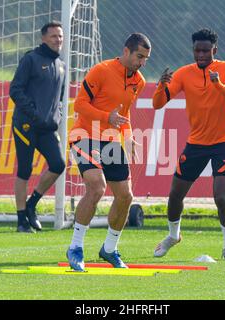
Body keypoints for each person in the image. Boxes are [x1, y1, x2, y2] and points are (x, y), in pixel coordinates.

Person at [152, 28, 225, 261]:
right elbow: (157, 104)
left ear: (215, 50)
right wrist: (161, 86)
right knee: (175, 194)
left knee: (220, 197)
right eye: (197, 50)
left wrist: (220, 86)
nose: (201, 54)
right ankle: (173, 236)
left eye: (206, 50)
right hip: (196, 143)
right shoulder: (185, 73)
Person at [66, 33, 151, 271]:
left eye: (145, 58)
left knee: (125, 196)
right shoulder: (101, 71)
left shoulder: (139, 81)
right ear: (126, 51)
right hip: (84, 134)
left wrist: (129, 137)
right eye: (139, 56)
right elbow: (80, 104)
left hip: (111, 139)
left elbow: (124, 114)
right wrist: (106, 117)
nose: (142, 62)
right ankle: (75, 248)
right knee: (97, 187)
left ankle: (110, 249)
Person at [9, 22, 66, 233]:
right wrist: (33, 112)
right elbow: (15, 89)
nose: (57, 40)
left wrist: (56, 116)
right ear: (43, 38)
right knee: (25, 170)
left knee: (58, 165)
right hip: (26, 124)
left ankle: (32, 205)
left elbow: (59, 98)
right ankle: (21, 219)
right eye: (53, 36)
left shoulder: (61, 64)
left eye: (60, 36)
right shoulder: (30, 59)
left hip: (47, 128)